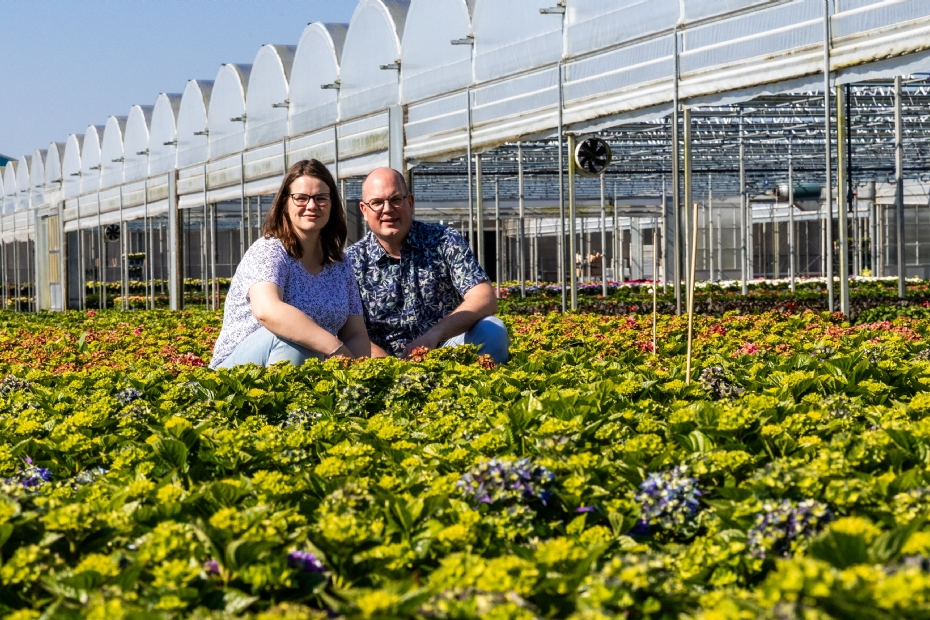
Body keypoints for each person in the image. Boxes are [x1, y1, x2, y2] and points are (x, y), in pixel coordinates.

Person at [210, 159, 371, 369]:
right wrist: (335, 348)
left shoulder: (339, 263)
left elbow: (355, 333)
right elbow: (267, 310)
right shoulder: (269, 251)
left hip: (309, 366)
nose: (311, 205)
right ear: (286, 202)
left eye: (321, 198)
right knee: (295, 340)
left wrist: (359, 373)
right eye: (301, 198)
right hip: (239, 371)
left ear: (332, 204)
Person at [345, 167, 509, 363]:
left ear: (410, 203)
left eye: (396, 199)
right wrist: (389, 367)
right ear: (364, 210)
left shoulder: (444, 240)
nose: (387, 209)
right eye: (377, 203)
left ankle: (482, 390)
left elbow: (484, 297)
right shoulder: (351, 261)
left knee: (492, 329)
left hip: (447, 352)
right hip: (383, 366)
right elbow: (346, 330)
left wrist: (435, 334)